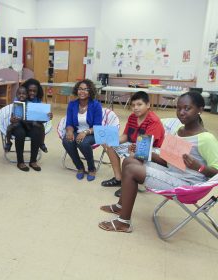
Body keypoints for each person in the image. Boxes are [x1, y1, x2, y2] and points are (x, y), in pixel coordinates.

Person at [98, 91, 218, 233]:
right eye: (178, 108)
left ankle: (124, 223)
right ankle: (120, 206)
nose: (181, 112)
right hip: (172, 172)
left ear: (200, 110)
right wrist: (144, 153)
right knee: (129, 160)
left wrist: (199, 167)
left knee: (131, 170)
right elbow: (167, 160)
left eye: (187, 108)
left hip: (187, 184)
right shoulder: (179, 130)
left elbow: (215, 173)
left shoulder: (206, 139)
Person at [101, 91, 165, 197]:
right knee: (110, 146)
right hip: (134, 144)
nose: (135, 108)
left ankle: (128, 185)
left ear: (148, 105)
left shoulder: (154, 121)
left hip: (152, 150)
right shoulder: (132, 117)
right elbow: (125, 136)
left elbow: (145, 146)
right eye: (133, 105)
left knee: (132, 155)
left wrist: (133, 150)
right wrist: (111, 141)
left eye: (139, 104)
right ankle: (119, 179)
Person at [62, 79, 103, 181]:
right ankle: (80, 167)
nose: (82, 92)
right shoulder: (72, 104)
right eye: (80, 89)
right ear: (77, 90)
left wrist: (85, 132)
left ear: (90, 92)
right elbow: (69, 123)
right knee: (66, 141)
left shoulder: (96, 105)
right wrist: (70, 131)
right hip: (77, 131)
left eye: (85, 89)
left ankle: (91, 168)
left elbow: (98, 126)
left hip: (92, 133)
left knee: (83, 143)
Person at [22, 78, 51, 153]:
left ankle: (42, 143)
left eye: (34, 91)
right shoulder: (20, 97)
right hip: (21, 123)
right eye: (30, 91)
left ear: (37, 92)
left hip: (33, 124)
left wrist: (47, 116)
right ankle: (41, 143)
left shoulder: (37, 100)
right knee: (36, 124)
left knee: (40, 125)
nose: (32, 93)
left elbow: (40, 118)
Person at [4, 86, 28, 152]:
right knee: (9, 128)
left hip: (25, 124)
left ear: (27, 95)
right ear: (16, 95)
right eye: (19, 93)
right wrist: (12, 119)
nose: (21, 95)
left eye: (23, 94)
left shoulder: (28, 104)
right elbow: (11, 118)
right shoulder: (15, 105)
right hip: (17, 123)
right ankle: (8, 142)